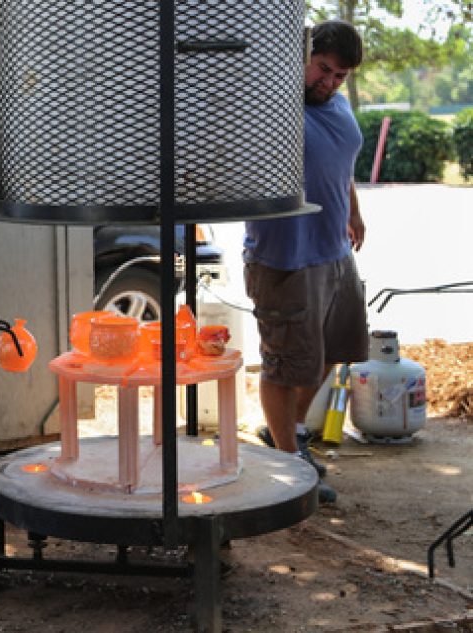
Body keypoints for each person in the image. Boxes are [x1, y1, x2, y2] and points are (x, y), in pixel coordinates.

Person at [243, 20, 369, 504]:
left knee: (331, 353)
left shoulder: (334, 105)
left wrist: (354, 211)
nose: (330, 82)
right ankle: (289, 465)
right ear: (300, 55)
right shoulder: (272, 107)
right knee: (284, 366)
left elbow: (341, 165)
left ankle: (289, 435)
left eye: (339, 76)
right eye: (323, 68)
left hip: (334, 252)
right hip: (285, 257)